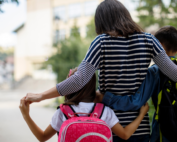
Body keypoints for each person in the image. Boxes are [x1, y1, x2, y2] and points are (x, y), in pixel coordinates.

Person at [24, 0, 177, 141]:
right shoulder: (149, 40)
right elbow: (174, 74)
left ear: (102, 21)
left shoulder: (102, 42)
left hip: (107, 127)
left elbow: (79, 79)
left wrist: (41, 95)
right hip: (140, 129)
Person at [95, 25, 177, 142]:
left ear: (159, 45)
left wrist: (105, 98)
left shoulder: (155, 72)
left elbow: (136, 102)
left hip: (162, 133)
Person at [19, 68, 149, 142]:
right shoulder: (104, 111)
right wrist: (141, 114)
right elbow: (125, 135)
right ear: (93, 86)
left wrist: (26, 116)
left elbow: (42, 137)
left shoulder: (63, 112)